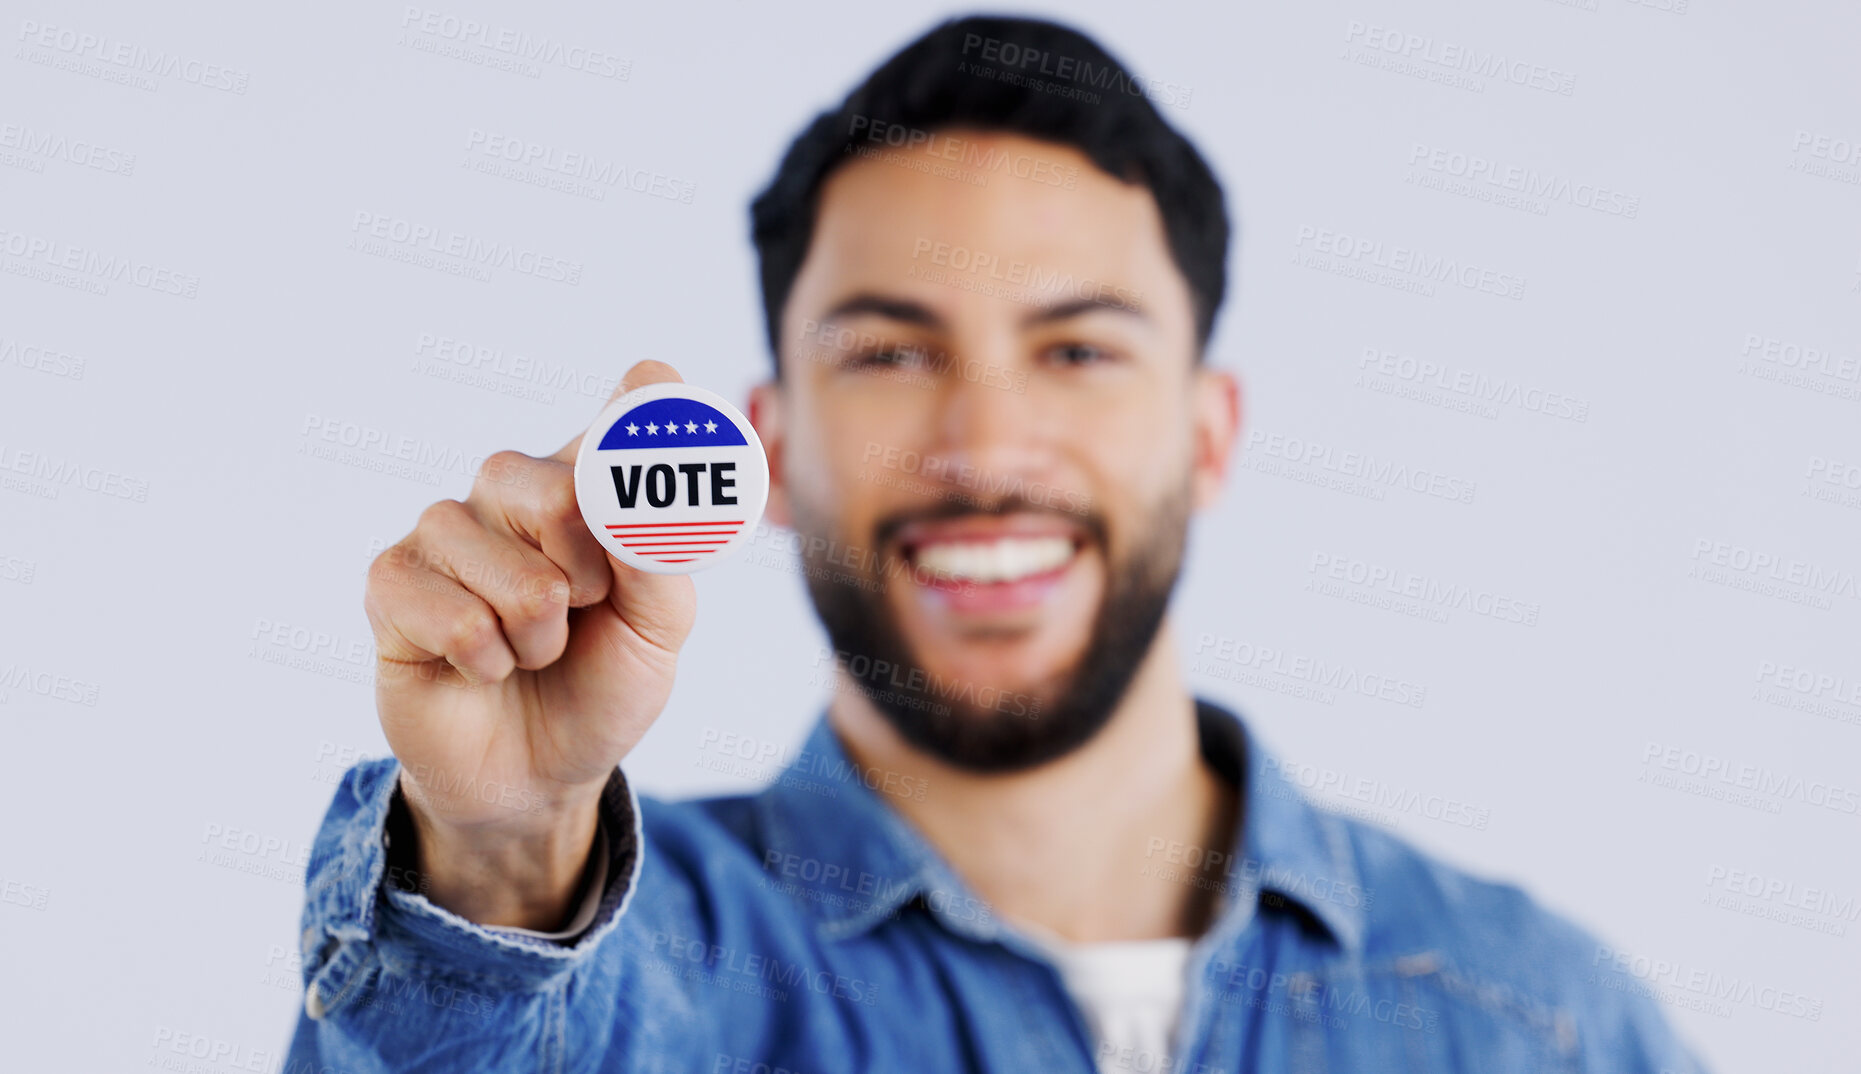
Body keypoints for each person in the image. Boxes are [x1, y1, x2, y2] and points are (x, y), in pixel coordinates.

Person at [289, 15, 1709, 1073]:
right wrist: (499, 843)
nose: (982, 445)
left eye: (1078, 348)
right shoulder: (635, 992)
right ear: (768, 452)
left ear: (1206, 436)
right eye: (893, 352)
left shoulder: (1537, 1020)